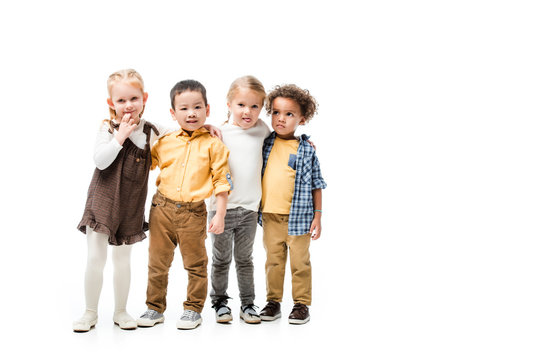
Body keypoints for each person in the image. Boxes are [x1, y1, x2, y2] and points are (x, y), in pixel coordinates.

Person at [74, 70, 220, 332]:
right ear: (111, 103)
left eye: (134, 98)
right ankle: (90, 312)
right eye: (121, 101)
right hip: (103, 201)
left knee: (122, 260)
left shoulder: (153, 131)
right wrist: (120, 135)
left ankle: (121, 311)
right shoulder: (107, 127)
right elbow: (100, 160)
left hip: (130, 205)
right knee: (96, 258)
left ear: (144, 98)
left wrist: (204, 127)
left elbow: (182, 133)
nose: (128, 105)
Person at [137, 80, 231, 330]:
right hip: (161, 209)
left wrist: (219, 215)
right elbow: (142, 166)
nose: (191, 113)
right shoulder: (165, 141)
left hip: (193, 213)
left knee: (196, 264)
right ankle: (154, 308)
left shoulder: (214, 144)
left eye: (197, 107)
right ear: (173, 113)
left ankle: (193, 309)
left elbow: (222, 182)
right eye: (184, 108)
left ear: (207, 110)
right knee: (157, 262)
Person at [258, 84, 327, 325]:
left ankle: (301, 304)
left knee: (300, 263)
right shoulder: (264, 143)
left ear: (302, 119)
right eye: (276, 112)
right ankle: (273, 301)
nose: (281, 119)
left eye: (289, 114)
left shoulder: (307, 149)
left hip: (299, 218)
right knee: (273, 262)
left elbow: (317, 184)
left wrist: (318, 216)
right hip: (269, 216)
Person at [208, 76, 270, 324]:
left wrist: (305, 141)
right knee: (221, 259)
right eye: (241, 105)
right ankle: (220, 302)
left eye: (255, 106)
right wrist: (205, 127)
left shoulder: (262, 130)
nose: (248, 111)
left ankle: (248, 304)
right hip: (222, 209)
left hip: (250, 210)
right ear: (229, 104)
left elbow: (283, 138)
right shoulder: (219, 133)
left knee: (245, 259)